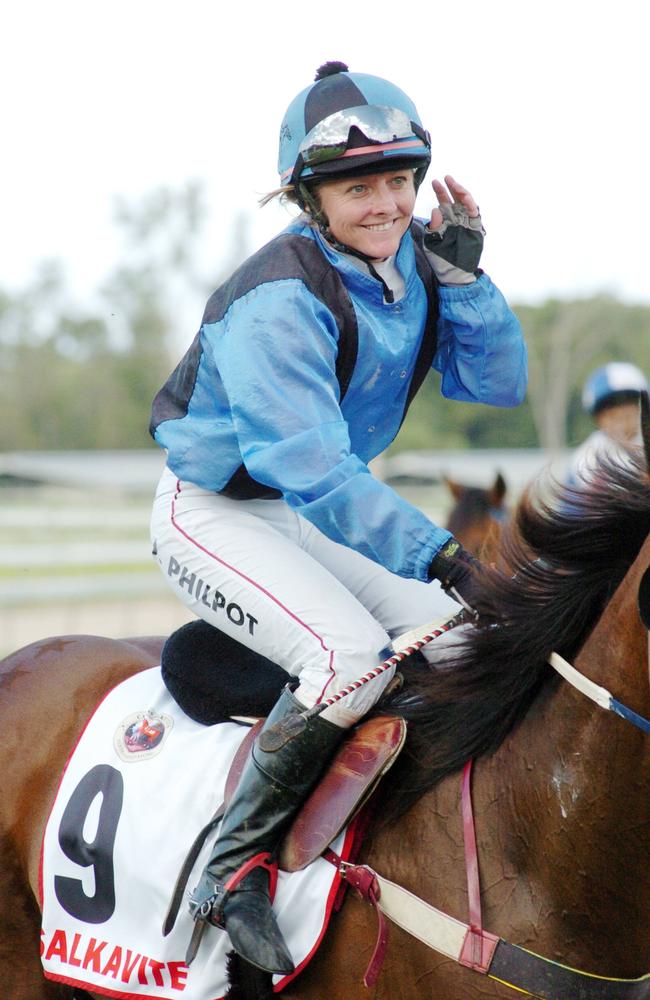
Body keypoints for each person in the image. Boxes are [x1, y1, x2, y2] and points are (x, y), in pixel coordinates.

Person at [149, 60, 527, 974]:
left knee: (458, 644)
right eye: (361, 187)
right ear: (309, 199)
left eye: (401, 180)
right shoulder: (278, 295)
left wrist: (466, 280)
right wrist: (442, 554)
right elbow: (308, 465)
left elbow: (499, 385)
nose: (389, 205)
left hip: (310, 512)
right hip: (217, 512)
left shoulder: (411, 267)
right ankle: (228, 865)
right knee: (347, 658)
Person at [567, 362, 648, 486]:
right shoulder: (586, 461)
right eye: (612, 415)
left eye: (627, 413)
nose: (622, 423)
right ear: (598, 420)